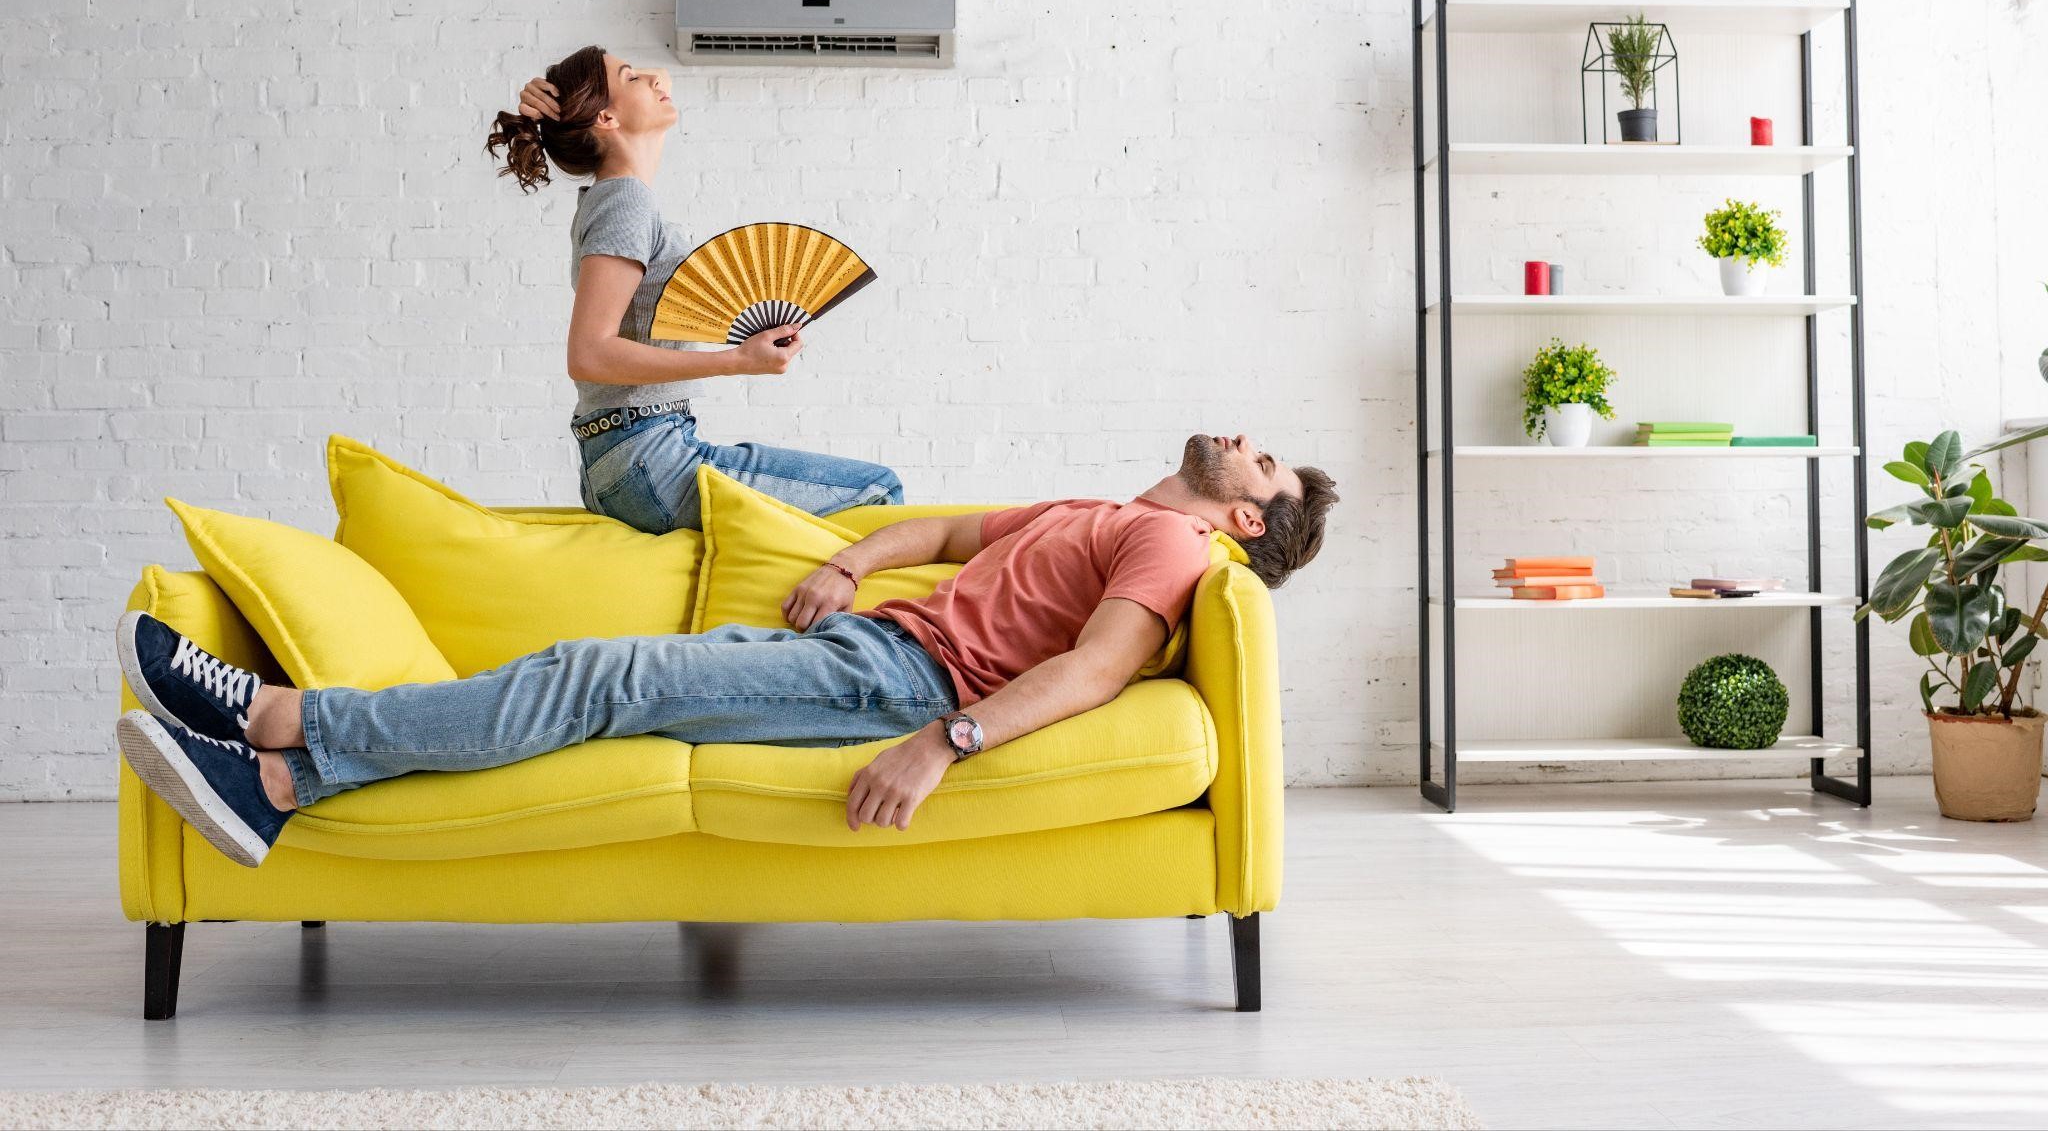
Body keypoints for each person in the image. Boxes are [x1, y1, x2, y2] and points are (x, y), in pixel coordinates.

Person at [115, 434, 1339, 868]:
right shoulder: (1101, 512)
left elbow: (1093, 671)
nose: (1243, 438)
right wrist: (849, 559)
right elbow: (948, 526)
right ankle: (279, 787)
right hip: (865, 637)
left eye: (1264, 460)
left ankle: (285, 723)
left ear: (1245, 518)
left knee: (597, 674)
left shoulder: (1179, 558)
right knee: (593, 690)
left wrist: (941, 740)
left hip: (892, 684)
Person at [483, 44, 902, 534]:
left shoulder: (618, 196)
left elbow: (654, 80)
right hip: (648, 453)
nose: (657, 80)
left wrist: (566, 90)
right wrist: (737, 362)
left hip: (633, 451)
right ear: (606, 117)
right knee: (878, 490)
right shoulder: (625, 201)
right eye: (632, 77)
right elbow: (590, 354)